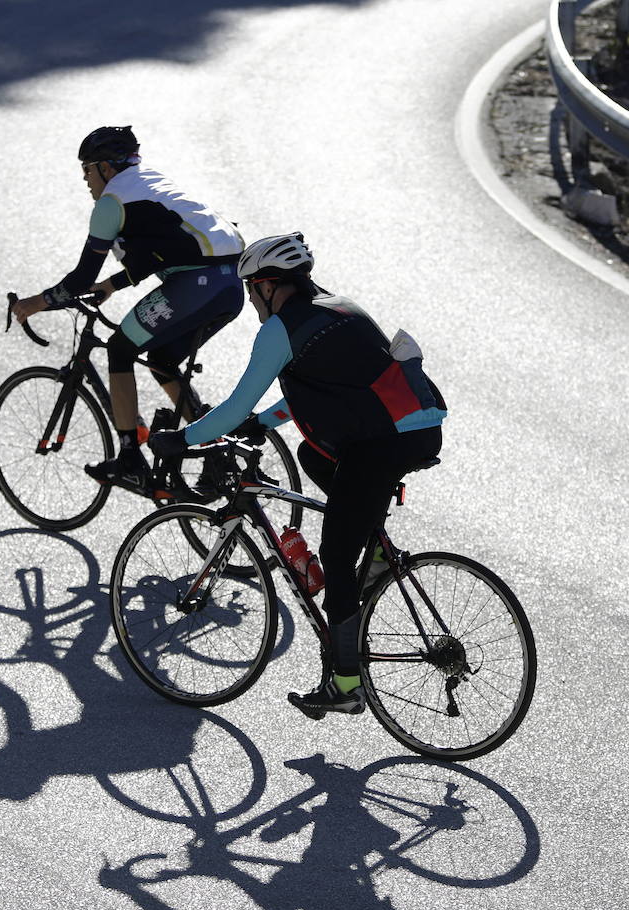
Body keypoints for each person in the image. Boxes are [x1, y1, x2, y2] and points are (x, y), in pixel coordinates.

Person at [148, 232, 447, 718]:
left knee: (335, 557)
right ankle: (374, 547)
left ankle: (346, 684)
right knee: (312, 458)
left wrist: (182, 440)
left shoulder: (280, 329)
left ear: (269, 286)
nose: (251, 302)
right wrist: (263, 423)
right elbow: (331, 388)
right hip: (414, 429)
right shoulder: (340, 307)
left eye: (251, 292)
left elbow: (233, 405)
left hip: (383, 441)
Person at [12, 126, 246, 495]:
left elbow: (80, 276)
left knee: (121, 348)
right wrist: (113, 285)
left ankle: (129, 460)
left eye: (86, 170)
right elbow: (169, 248)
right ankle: (214, 447)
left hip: (200, 284)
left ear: (105, 167)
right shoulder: (149, 182)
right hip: (230, 285)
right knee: (162, 359)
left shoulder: (111, 203)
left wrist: (34, 304)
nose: (85, 179)